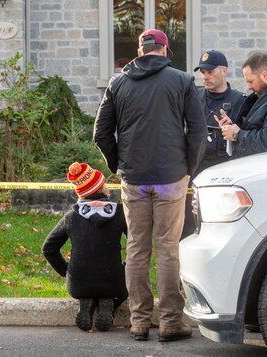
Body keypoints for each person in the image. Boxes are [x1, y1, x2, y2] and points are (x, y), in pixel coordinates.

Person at [93, 29, 207, 342]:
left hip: (134, 179)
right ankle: (171, 322)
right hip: (171, 177)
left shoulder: (118, 82)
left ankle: (139, 322)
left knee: (137, 249)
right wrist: (188, 170)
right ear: (165, 49)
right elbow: (198, 133)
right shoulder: (182, 81)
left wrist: (119, 167)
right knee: (169, 250)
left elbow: (101, 134)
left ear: (141, 50)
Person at [41, 162, 128, 332]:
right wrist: (128, 267)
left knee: (88, 284)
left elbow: (48, 248)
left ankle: (86, 301)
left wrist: (66, 271)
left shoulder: (72, 216)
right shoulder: (119, 213)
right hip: (114, 281)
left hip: (78, 282)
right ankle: (107, 303)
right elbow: (136, 244)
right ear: (103, 188)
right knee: (124, 286)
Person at [180, 50, 246, 239]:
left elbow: (246, 136)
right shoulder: (194, 98)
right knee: (188, 226)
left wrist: (233, 129)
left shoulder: (240, 100)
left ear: (224, 71)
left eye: (210, 72)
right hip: (194, 169)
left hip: (224, 172)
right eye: (202, 72)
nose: (205, 77)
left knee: (219, 227)